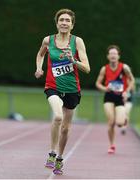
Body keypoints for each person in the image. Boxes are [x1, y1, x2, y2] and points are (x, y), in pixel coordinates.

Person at [35, 8, 90, 175]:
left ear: (72, 25)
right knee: (57, 116)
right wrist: (39, 68)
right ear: (57, 23)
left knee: (65, 128)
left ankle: (59, 158)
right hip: (53, 86)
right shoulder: (48, 40)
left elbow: (87, 68)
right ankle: (51, 154)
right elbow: (40, 54)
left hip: (72, 89)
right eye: (62, 20)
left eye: (67, 20)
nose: (64, 23)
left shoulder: (77, 42)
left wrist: (73, 60)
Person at [95, 45, 135, 154]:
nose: (113, 55)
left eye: (115, 54)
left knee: (120, 123)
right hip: (109, 97)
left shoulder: (124, 68)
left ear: (118, 56)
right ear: (108, 56)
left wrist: (127, 91)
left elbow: (132, 80)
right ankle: (112, 145)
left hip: (120, 97)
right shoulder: (104, 69)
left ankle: (123, 120)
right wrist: (105, 88)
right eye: (111, 54)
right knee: (111, 122)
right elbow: (97, 83)